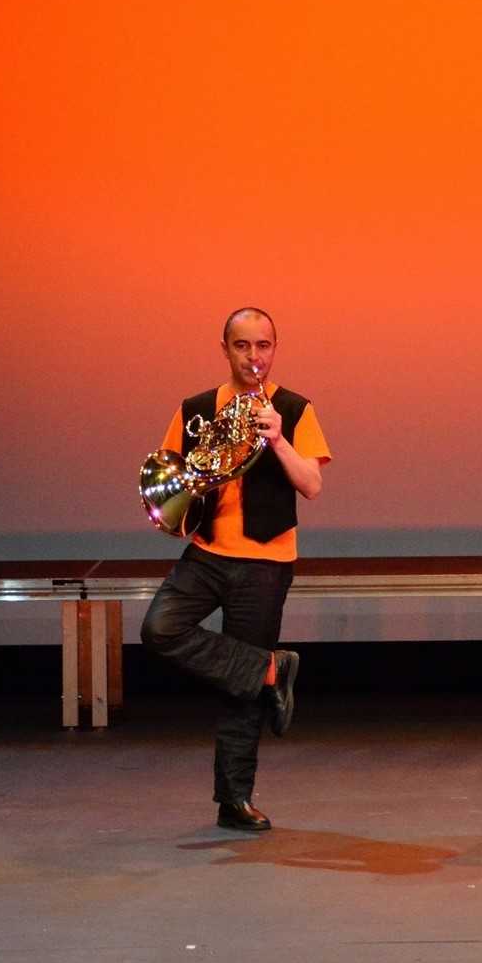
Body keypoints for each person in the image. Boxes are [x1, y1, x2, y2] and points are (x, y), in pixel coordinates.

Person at [139, 308, 331, 832]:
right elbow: (174, 479)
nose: (254, 357)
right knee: (160, 628)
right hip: (207, 551)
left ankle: (234, 799)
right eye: (242, 346)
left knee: (238, 687)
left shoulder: (294, 408)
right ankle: (269, 669)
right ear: (224, 348)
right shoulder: (196, 409)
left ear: (275, 348)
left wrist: (276, 438)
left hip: (266, 560)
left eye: (263, 346)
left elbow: (311, 486)